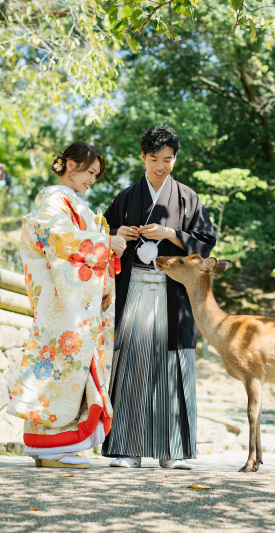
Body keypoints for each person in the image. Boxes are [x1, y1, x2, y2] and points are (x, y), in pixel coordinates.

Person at [102, 125, 217, 469]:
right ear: (143, 157)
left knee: (172, 365)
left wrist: (170, 233)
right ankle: (127, 448)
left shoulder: (187, 197)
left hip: (173, 291)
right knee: (133, 362)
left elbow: (206, 241)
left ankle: (172, 450)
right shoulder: (126, 197)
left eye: (168, 159)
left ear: (175, 159)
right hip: (136, 283)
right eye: (154, 159)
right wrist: (116, 233)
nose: (161, 166)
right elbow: (102, 231)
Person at [7, 142, 127, 469]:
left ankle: (62, 447)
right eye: (90, 172)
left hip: (75, 302)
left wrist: (109, 243)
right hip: (62, 303)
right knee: (61, 368)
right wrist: (105, 243)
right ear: (71, 165)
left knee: (70, 369)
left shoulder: (70, 203)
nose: (93, 180)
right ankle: (52, 449)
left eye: (96, 175)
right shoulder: (52, 201)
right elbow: (58, 240)